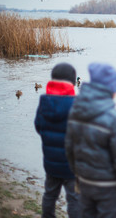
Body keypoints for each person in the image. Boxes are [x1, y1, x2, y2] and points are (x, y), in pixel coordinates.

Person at [65, 62, 116, 218]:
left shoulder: (75, 111)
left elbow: (69, 148)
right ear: (111, 90)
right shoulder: (115, 120)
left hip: (85, 183)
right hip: (108, 188)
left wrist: (78, 175)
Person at [34, 62, 79, 218]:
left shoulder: (44, 102)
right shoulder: (77, 105)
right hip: (72, 166)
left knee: (50, 194)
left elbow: (38, 127)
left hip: (51, 162)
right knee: (74, 199)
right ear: (72, 83)